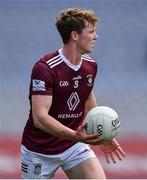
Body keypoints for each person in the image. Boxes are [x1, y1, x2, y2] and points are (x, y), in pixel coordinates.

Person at [21, 8, 125, 179]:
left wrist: (102, 135)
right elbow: (40, 118)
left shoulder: (91, 65)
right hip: (40, 151)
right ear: (75, 35)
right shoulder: (45, 68)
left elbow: (87, 98)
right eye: (91, 32)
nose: (96, 36)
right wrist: (75, 135)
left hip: (73, 146)